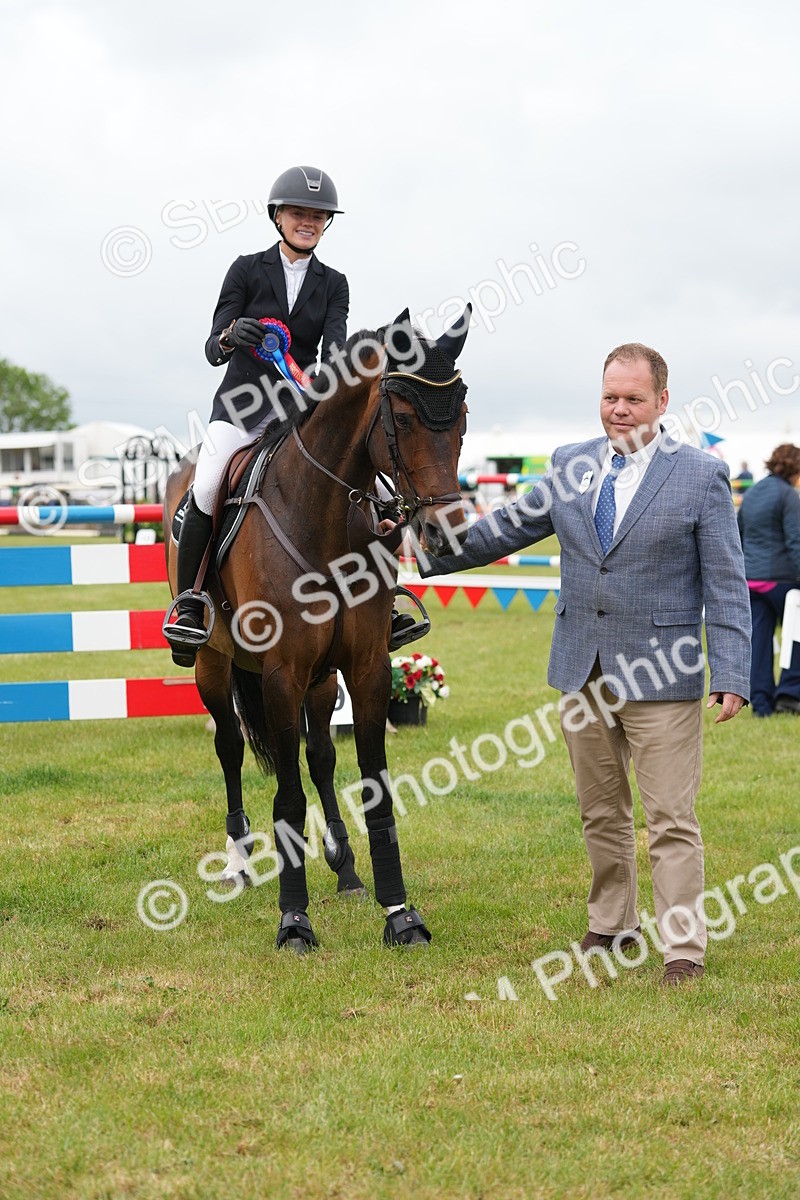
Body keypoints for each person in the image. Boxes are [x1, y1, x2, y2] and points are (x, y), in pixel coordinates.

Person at [419, 343, 751, 986]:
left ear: (661, 402)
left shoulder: (700, 476)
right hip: (582, 668)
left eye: (632, 398)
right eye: (610, 397)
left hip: (665, 674)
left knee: (670, 820)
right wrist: (426, 544)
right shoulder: (571, 464)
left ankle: (683, 950)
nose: (619, 410)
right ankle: (612, 924)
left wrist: (732, 671)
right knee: (600, 811)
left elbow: (727, 583)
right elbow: (503, 530)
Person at [166, 165, 348, 666]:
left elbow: (334, 342)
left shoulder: (334, 284)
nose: (307, 222)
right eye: (298, 213)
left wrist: (330, 371)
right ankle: (189, 605)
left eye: (317, 216)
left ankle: (376, 605)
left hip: (298, 414)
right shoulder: (246, 269)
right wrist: (233, 335)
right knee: (205, 486)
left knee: (369, 484)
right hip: (241, 409)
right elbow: (212, 345)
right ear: (278, 216)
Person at [737, 443, 800, 716]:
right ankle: (789, 696)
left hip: (751, 581)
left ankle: (760, 703)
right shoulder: (788, 496)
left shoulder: (752, 493)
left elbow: (738, 535)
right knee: (796, 637)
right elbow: (796, 541)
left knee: (759, 642)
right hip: (782, 581)